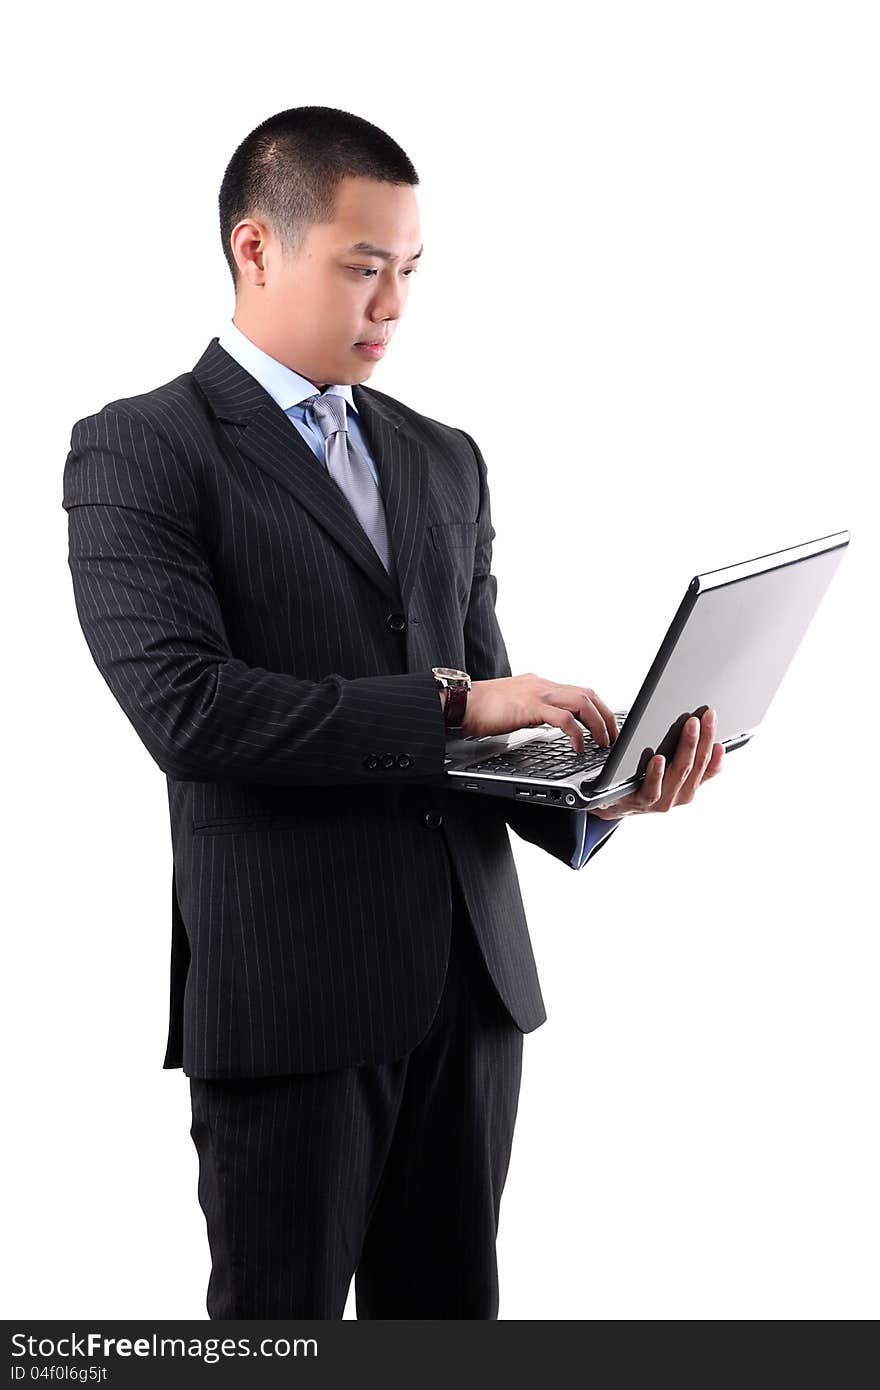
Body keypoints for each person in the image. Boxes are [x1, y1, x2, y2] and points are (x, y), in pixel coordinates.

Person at [62, 105, 724, 1319]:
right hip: (292, 996)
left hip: (469, 996)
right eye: (362, 267)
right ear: (256, 249)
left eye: (410, 270)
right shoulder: (140, 450)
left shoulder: (442, 457)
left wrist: (598, 785)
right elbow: (190, 711)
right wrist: (463, 703)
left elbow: (483, 732)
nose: (393, 304)